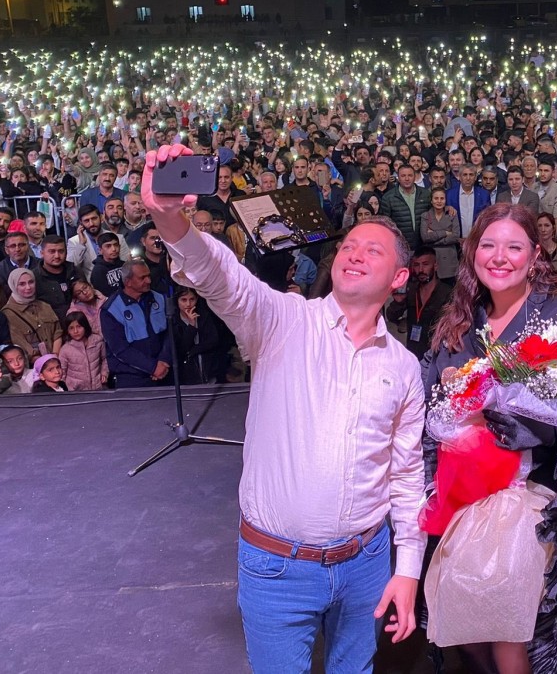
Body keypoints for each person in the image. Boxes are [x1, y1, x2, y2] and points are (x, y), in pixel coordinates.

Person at [143, 144, 424, 673]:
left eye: (373, 250)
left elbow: (406, 476)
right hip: (278, 568)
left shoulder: (405, 367)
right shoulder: (281, 322)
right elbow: (222, 277)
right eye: (349, 246)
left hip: (366, 564)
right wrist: (168, 216)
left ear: (399, 278)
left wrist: (406, 568)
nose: (355, 253)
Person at [424, 202, 557, 674]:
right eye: (489, 245)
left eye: (514, 247)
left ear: (535, 254)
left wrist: (521, 429)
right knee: (464, 624)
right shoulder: (459, 318)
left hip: (536, 500)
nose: (500, 257)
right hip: (465, 498)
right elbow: (435, 397)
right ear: (471, 252)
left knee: (515, 629)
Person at [100, 260, 172, 388]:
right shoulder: (111, 309)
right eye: (142, 278)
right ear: (128, 282)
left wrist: (164, 361)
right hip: (132, 379)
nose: (149, 281)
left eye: (148, 276)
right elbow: (120, 349)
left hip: (164, 372)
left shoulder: (160, 299)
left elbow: (170, 333)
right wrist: (152, 367)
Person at [386, 247, 452, 359]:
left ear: (435, 266)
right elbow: (391, 316)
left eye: (425, 264)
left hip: (437, 355)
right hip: (413, 352)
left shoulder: (447, 293)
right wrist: (398, 303)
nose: (420, 270)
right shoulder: (411, 290)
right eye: (416, 265)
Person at [168, 285, 231, 384]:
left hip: (209, 370)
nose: (188, 304)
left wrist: (194, 350)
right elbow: (182, 348)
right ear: (177, 301)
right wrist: (191, 326)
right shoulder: (174, 321)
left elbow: (213, 340)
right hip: (187, 377)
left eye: (192, 299)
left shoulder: (205, 316)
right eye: (183, 300)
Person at [3, 268, 63, 363]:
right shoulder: (8, 313)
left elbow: (57, 333)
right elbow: (20, 344)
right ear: (13, 286)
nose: (28, 287)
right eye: (22, 284)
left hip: (56, 360)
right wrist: (43, 363)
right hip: (33, 365)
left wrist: (55, 356)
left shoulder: (45, 306)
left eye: (31, 282)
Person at [59, 310, 109, 390]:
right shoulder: (65, 350)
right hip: (76, 392)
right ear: (68, 331)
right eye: (71, 328)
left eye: (79, 326)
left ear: (85, 326)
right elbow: (62, 372)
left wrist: (104, 372)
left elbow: (105, 359)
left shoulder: (97, 341)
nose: (75, 331)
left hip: (97, 388)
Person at [418, 189, 460, 282]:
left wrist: (434, 239)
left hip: (449, 259)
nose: (439, 201)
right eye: (436, 198)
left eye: (442, 198)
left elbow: (456, 236)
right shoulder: (425, 216)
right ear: (431, 201)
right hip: (432, 258)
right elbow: (425, 237)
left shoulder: (452, 214)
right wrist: (445, 233)